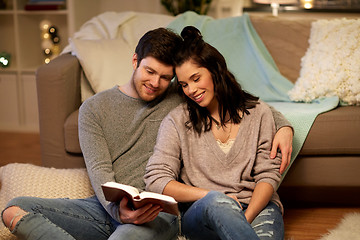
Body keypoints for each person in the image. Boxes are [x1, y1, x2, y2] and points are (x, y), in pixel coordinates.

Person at [2, 27, 291, 240]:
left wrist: (284, 126)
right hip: (108, 208)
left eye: (166, 77)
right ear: (134, 61)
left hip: (157, 212)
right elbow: (101, 172)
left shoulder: (181, 94)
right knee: (14, 209)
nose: (155, 83)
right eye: (149, 72)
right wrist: (119, 212)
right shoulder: (93, 109)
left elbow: (236, 101)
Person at [145, 26, 287, 240]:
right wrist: (212, 196)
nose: (191, 90)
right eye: (183, 84)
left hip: (256, 208)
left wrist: (242, 221)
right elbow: (156, 180)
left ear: (216, 71)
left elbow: (268, 175)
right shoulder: (177, 121)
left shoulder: (260, 113)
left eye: (196, 78)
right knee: (217, 203)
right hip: (202, 212)